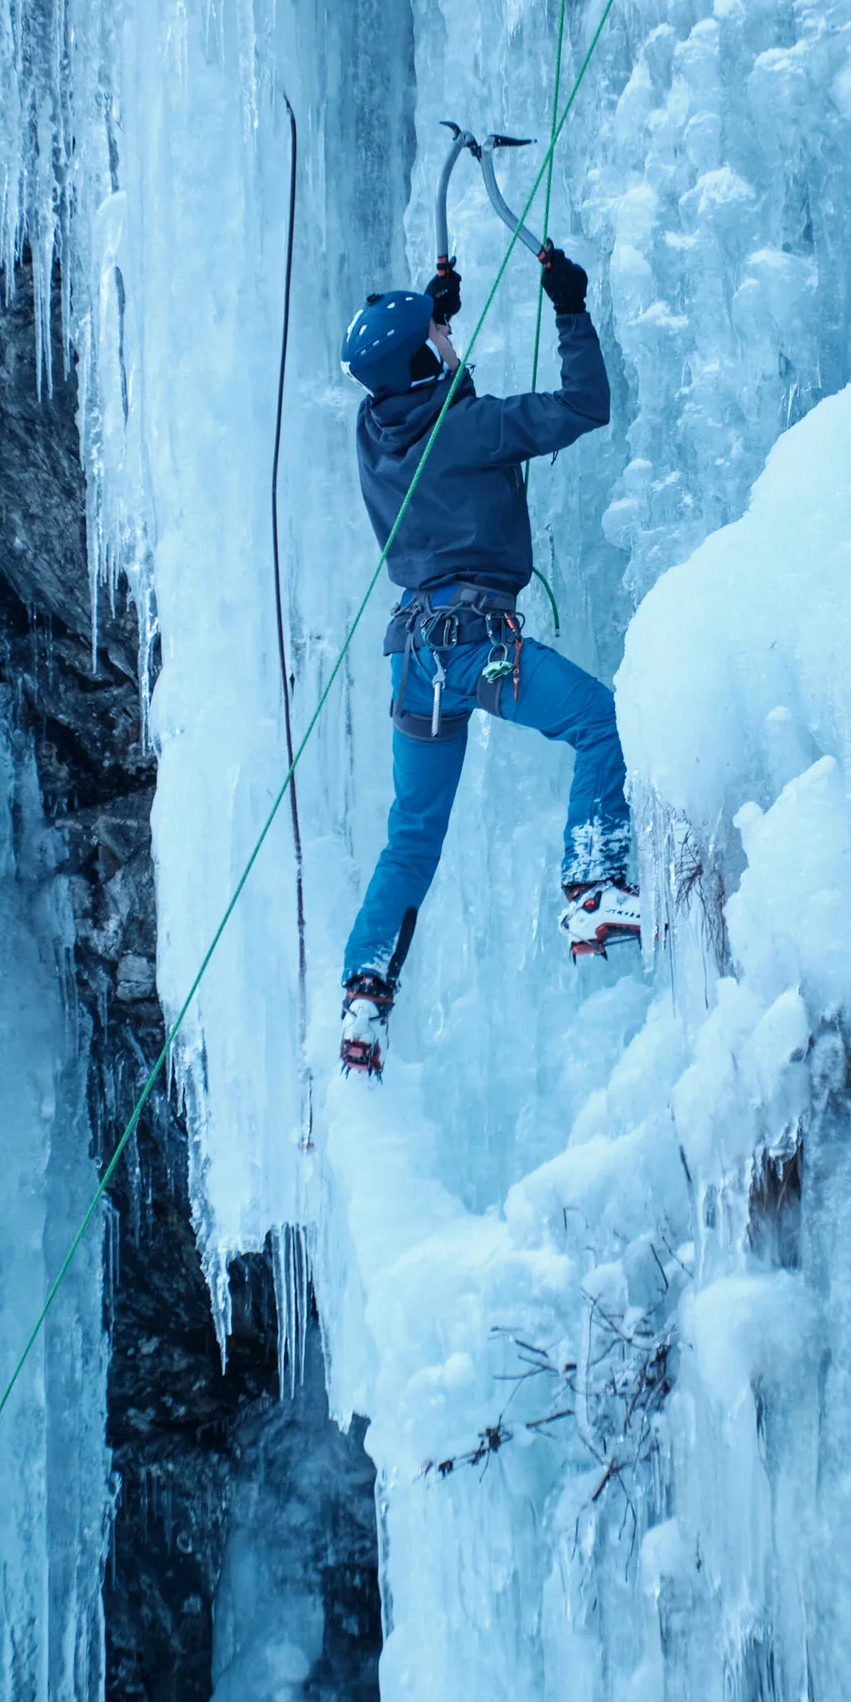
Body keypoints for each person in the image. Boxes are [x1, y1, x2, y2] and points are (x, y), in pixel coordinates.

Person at [336, 240, 640, 1077]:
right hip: (478, 651)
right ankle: (590, 889)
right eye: (435, 340)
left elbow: (424, 396)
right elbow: (586, 405)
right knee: (596, 721)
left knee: (413, 835)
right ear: (423, 361)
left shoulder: (374, 431)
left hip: (414, 664)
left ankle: (366, 990)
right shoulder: (473, 430)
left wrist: (431, 324)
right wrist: (570, 309)